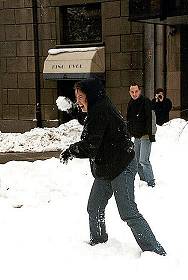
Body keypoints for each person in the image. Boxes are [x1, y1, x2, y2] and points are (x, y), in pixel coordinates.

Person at [60, 78, 166, 256]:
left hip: (121, 166)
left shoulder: (101, 111)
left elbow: (91, 144)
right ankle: (99, 242)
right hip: (106, 167)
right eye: (76, 97)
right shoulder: (97, 107)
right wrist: (72, 109)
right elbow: (89, 122)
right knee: (94, 207)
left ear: (91, 96)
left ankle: (155, 251)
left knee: (128, 212)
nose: (78, 101)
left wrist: (71, 151)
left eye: (80, 97)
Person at [127, 83, 156, 187]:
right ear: (129, 92)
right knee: (136, 161)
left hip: (146, 135)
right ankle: (143, 181)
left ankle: (151, 182)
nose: (134, 94)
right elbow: (129, 120)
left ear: (140, 91)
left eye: (136, 91)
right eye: (132, 92)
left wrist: (151, 134)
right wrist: (129, 134)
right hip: (136, 136)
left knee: (144, 160)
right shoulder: (130, 103)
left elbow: (151, 118)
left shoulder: (146, 102)